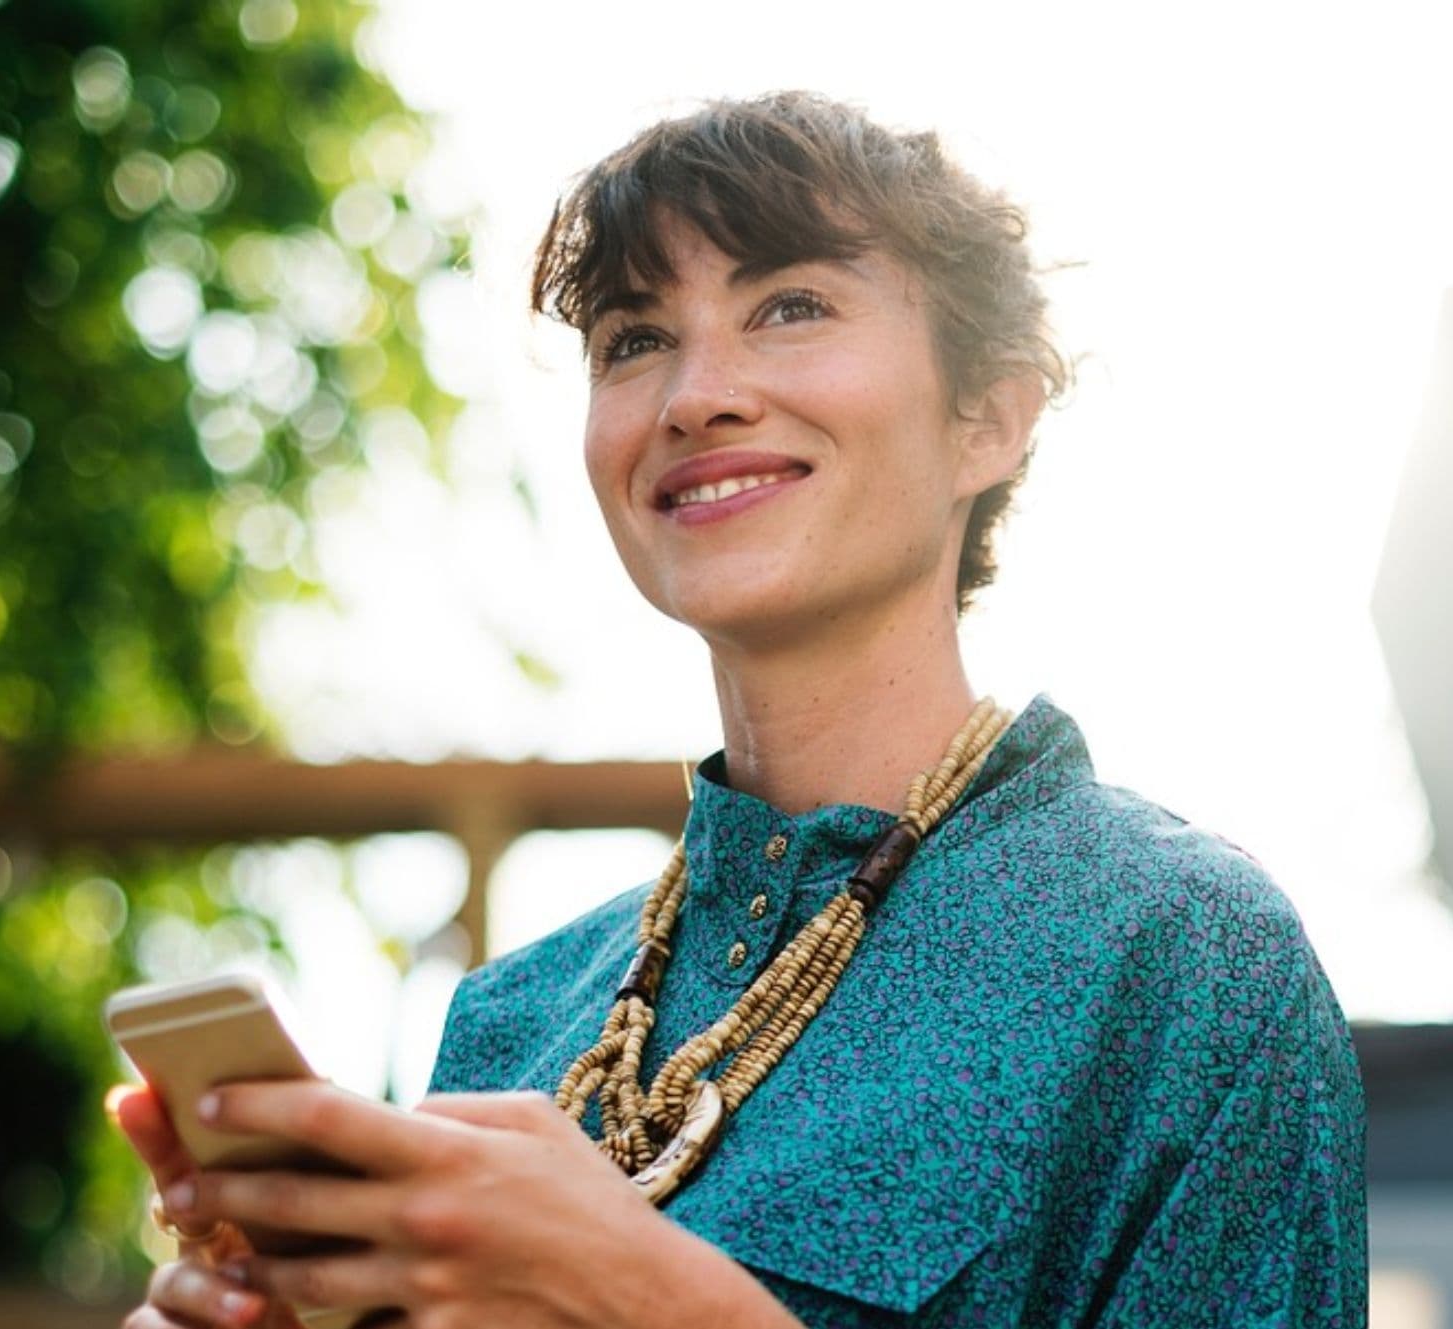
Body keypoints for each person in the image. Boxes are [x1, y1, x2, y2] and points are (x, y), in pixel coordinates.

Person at [114, 90, 1367, 1328]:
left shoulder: (1182, 956)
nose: (694, 395)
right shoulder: (512, 1020)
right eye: (632, 339)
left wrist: (646, 1301)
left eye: (791, 306)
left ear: (987, 418)